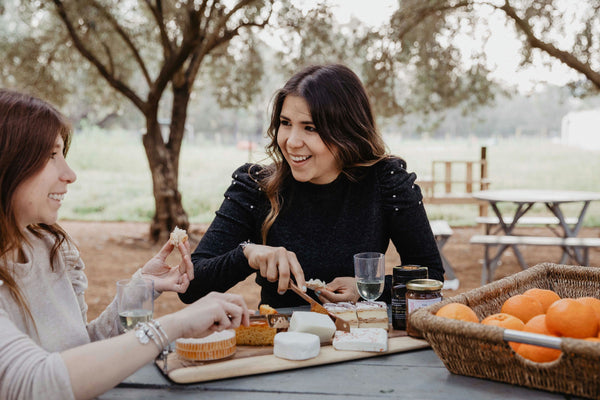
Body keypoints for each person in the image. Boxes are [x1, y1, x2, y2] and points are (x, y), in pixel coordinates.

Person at [0, 89, 250, 400]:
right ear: (7, 162)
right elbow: (32, 383)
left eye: (63, 154)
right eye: (51, 156)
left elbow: (81, 351)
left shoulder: (52, 248)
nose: (70, 174)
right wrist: (175, 325)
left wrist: (142, 288)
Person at [180, 64, 444, 309]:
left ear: (346, 132)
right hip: (282, 350)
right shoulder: (255, 187)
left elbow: (431, 274)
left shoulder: (386, 182)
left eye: (310, 127)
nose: (292, 141)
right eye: (285, 123)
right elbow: (189, 286)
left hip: (363, 343)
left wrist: (369, 289)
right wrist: (246, 254)